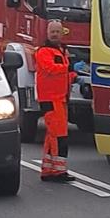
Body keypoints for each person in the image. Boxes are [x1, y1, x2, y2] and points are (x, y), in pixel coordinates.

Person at [33, 27, 75, 183]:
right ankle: (57, 171)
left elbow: (64, 75)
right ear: (47, 34)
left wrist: (74, 75)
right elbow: (50, 69)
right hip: (51, 99)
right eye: (52, 32)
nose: (55, 34)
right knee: (58, 136)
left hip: (60, 98)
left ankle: (49, 169)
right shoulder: (44, 52)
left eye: (58, 32)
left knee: (54, 135)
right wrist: (68, 68)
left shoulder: (61, 51)